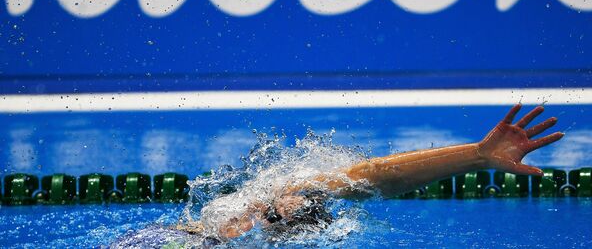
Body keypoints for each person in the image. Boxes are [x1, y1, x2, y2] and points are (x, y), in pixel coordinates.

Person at [177, 104, 563, 240]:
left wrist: (479, 157)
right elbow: (374, 174)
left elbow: (376, 179)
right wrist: (476, 155)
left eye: (291, 207)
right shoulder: (226, 222)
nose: (285, 199)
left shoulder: (232, 233)